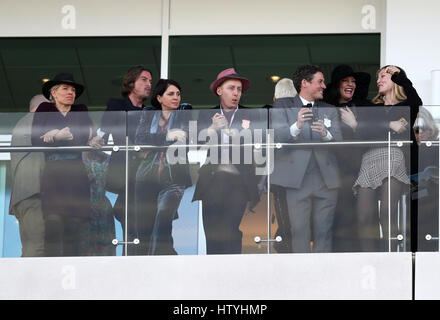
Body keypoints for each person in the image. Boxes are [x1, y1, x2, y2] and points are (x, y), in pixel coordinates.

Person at [271, 64, 342, 253]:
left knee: (324, 231)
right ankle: (302, 277)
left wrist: (326, 134)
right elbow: (276, 137)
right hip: (296, 180)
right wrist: (297, 125)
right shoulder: (282, 105)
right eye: (320, 81)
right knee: (299, 231)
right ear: (305, 83)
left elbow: (340, 142)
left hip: (326, 179)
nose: (324, 86)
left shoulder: (329, 109)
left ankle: (323, 277)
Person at [192, 68, 263, 254]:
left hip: (238, 182)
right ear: (219, 91)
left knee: (231, 230)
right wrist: (213, 128)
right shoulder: (206, 116)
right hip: (211, 182)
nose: (236, 93)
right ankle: (214, 277)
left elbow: (256, 145)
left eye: (239, 89)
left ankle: (231, 275)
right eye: (231, 88)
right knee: (212, 232)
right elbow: (198, 144)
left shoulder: (252, 115)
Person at [354, 65, 423, 252]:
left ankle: (391, 257)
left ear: (395, 81)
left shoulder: (406, 106)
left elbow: (417, 101)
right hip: (369, 158)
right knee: (364, 216)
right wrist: (388, 124)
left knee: (387, 212)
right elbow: (360, 122)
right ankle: (369, 259)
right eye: (378, 77)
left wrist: (400, 76)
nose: (379, 80)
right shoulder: (371, 107)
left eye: (384, 76)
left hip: (394, 157)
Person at [31, 73, 94, 256]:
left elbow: (82, 137)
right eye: (65, 89)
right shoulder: (45, 108)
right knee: (53, 222)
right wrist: (59, 135)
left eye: (73, 90)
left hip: (76, 171)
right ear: (54, 92)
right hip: (54, 172)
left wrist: (54, 136)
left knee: (74, 226)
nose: (70, 93)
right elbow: (36, 140)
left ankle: (71, 271)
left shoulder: (80, 109)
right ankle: (50, 272)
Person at [98, 65, 153, 254]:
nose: (148, 84)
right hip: (125, 169)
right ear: (131, 83)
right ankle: (131, 255)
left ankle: (134, 253)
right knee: (131, 216)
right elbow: (102, 134)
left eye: (150, 81)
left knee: (136, 216)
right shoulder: (117, 105)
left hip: (145, 171)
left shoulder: (150, 111)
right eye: (144, 80)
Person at [134, 79, 192, 255]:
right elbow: (140, 140)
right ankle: (163, 261)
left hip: (173, 177)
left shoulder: (183, 112)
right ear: (159, 98)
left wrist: (156, 141)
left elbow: (184, 140)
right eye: (171, 94)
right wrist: (167, 136)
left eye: (178, 94)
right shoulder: (148, 114)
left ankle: (155, 263)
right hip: (146, 176)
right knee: (144, 228)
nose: (176, 97)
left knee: (163, 218)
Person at [323, 65, 372, 252]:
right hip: (335, 172)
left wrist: (355, 125)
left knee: (360, 218)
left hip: (360, 172)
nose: (351, 84)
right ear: (337, 85)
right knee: (337, 219)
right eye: (346, 81)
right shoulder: (327, 109)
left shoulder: (363, 108)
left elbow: (372, 137)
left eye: (353, 81)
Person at [9, 94, 49, 257]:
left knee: (30, 247)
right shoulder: (35, 120)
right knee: (38, 247)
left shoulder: (23, 123)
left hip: (26, 194)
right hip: (34, 192)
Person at [412, 107, 439, 251]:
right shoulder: (407, 149)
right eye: (416, 129)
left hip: (434, 197)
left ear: (431, 128)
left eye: (424, 127)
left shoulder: (436, 147)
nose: (421, 132)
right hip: (415, 196)